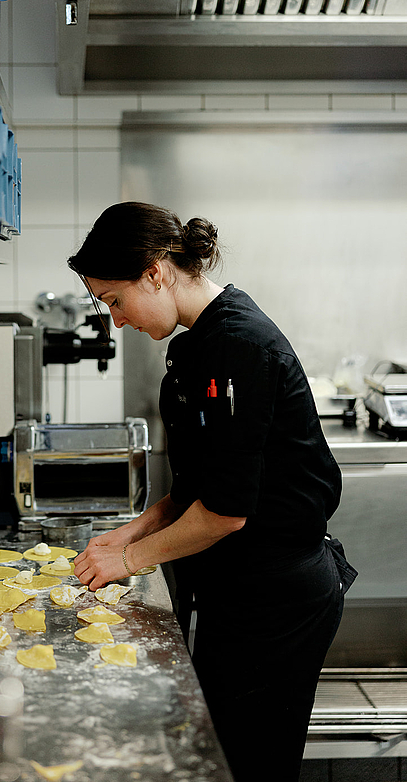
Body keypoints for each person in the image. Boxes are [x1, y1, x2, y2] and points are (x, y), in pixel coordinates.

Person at [68, 201, 355, 782]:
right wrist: (128, 534)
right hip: (240, 586)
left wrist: (129, 560)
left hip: (277, 595)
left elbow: (225, 512)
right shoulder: (200, 342)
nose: (116, 321)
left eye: (114, 301)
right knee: (221, 754)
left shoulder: (238, 346)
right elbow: (199, 487)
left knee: (250, 766)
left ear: (155, 272)